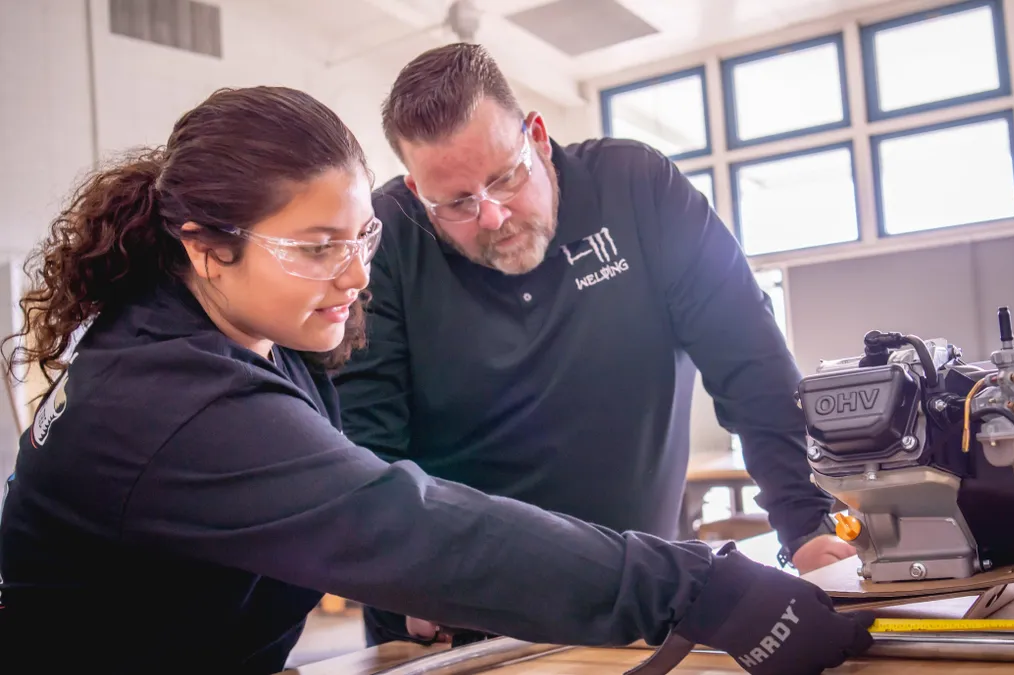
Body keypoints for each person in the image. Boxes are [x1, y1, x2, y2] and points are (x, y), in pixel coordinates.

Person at [0, 85, 873, 675]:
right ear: (205, 246)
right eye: (316, 247)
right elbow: (398, 522)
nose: (354, 275)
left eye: (360, 239)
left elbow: (354, 503)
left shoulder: (251, 333)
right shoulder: (169, 401)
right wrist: (703, 585)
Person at [331, 43, 856, 645]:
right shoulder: (388, 239)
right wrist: (403, 580)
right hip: (460, 615)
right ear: (416, 189)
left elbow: (752, 368)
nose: (493, 217)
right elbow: (363, 448)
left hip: (650, 599)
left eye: (505, 178)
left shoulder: (637, 188)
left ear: (538, 135)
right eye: (455, 203)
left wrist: (808, 525)